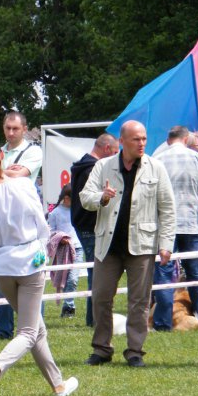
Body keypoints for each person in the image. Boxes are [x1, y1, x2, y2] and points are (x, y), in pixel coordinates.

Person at [0, 136, 78, 396]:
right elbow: (42, 225)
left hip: (2, 267)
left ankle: (58, 384)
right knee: (28, 331)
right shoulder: (23, 186)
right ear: (2, 157)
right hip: (29, 263)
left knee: (36, 329)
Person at [80, 120, 176, 368]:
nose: (142, 143)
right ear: (121, 142)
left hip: (142, 245)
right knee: (101, 297)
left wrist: (166, 243)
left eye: (144, 138)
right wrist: (101, 197)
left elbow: (167, 209)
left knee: (139, 301)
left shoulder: (156, 168)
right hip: (108, 244)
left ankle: (135, 351)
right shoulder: (103, 166)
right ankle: (101, 349)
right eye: (136, 139)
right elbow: (85, 198)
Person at [151, 126, 198, 331]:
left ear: (169, 140)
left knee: (164, 274)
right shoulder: (197, 158)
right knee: (196, 274)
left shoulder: (157, 158)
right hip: (191, 224)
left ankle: (162, 322)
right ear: (186, 138)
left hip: (165, 225)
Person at [0, 112, 42, 342]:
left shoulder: (33, 151)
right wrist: (7, 171)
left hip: (25, 221)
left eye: (15, 129)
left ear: (24, 129)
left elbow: (21, 175)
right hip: (1, 218)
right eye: (7, 128)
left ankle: (34, 328)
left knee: (31, 274)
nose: (10, 132)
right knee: (2, 275)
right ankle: (4, 328)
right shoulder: (0, 151)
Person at [70, 133, 119, 327]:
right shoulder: (93, 168)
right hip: (90, 225)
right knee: (97, 274)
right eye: (115, 152)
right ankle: (94, 319)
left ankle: (94, 318)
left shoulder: (81, 166)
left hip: (82, 224)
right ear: (106, 149)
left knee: (95, 272)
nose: (116, 156)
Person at [47, 185, 82, 318]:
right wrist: (60, 237)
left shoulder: (77, 210)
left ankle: (69, 306)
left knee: (72, 279)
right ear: (66, 198)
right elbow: (51, 231)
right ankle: (67, 307)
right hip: (62, 249)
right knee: (63, 278)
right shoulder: (55, 213)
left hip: (77, 248)